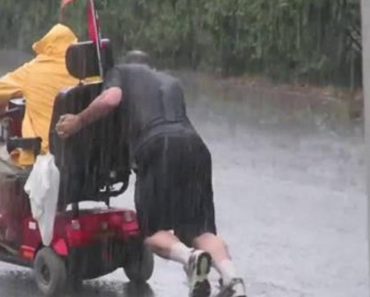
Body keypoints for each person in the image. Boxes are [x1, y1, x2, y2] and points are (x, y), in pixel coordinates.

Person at [56, 56, 247, 297]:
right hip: (195, 148)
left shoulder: (119, 73)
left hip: (158, 147)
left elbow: (112, 99)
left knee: (154, 233)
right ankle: (233, 280)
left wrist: (78, 121)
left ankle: (191, 258)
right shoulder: (170, 81)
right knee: (201, 231)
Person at [0, 23, 79, 166]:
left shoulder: (32, 70)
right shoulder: (85, 71)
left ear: (47, 45)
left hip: (41, 154)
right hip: (80, 153)